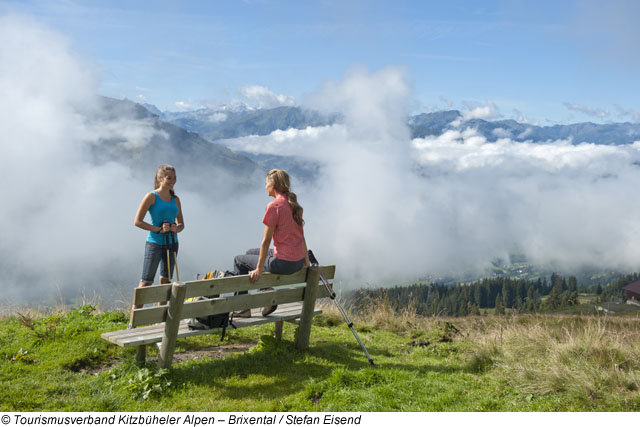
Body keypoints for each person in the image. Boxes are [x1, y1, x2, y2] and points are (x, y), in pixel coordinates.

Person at [233, 169, 310, 317]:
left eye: (266, 183)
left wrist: (259, 269)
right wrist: (306, 261)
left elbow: (266, 241)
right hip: (298, 261)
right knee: (250, 253)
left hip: (283, 263)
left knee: (239, 260)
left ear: (273, 184)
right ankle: (266, 292)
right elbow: (302, 237)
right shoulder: (294, 205)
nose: (265, 186)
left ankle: (244, 308)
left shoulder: (275, 206)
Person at [133, 165, 184, 309]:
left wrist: (175, 228)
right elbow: (137, 221)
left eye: (174, 178)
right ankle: (134, 321)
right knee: (146, 282)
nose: (172, 181)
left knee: (166, 282)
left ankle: (159, 320)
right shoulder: (151, 197)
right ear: (160, 178)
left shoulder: (176, 199)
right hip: (154, 244)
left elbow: (181, 224)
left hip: (172, 243)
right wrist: (158, 229)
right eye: (169, 178)